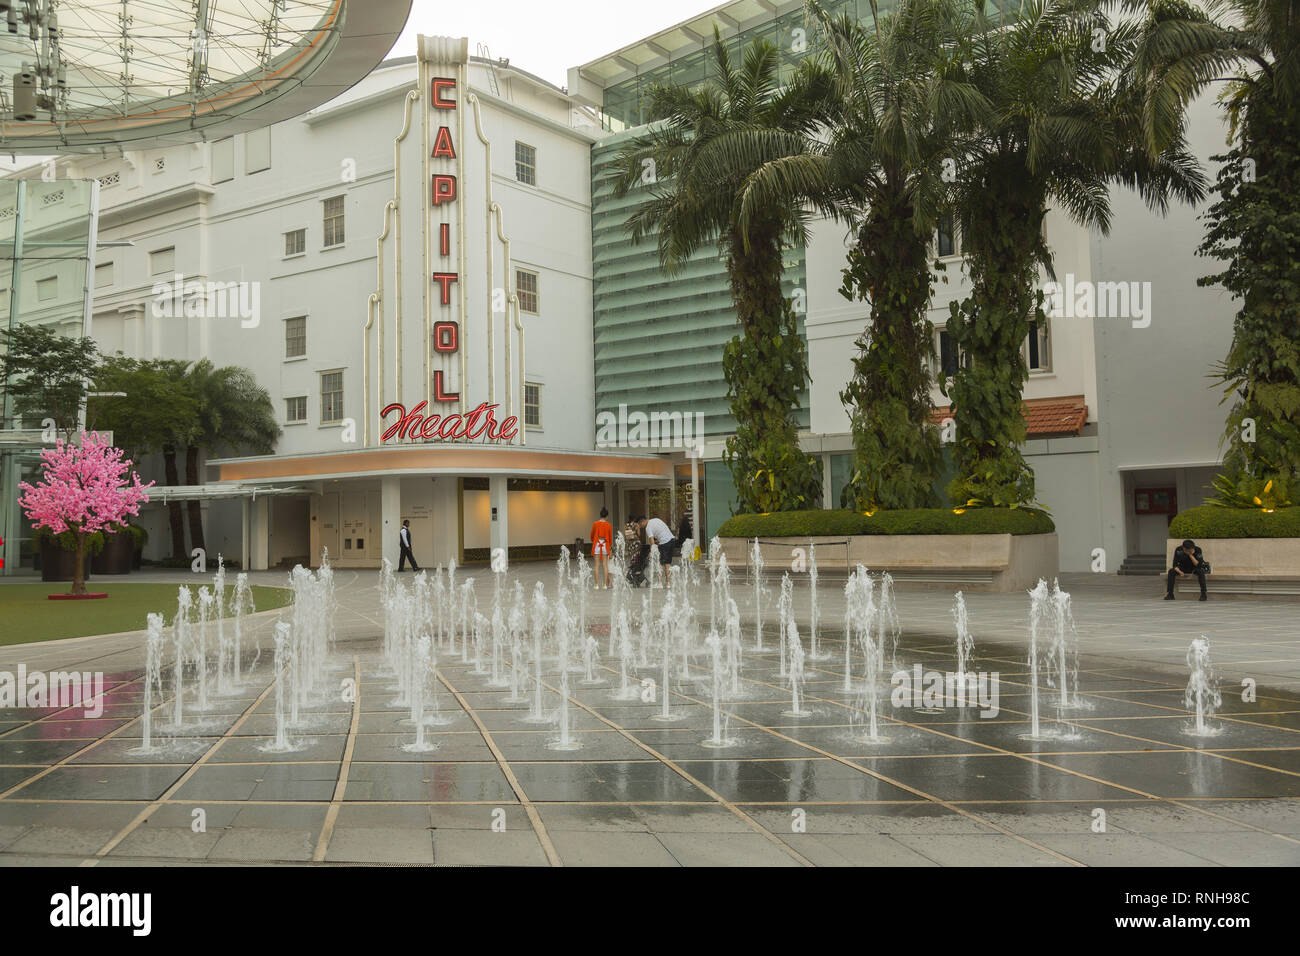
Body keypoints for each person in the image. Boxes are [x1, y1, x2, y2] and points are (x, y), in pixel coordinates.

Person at [639, 513, 677, 583]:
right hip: (672, 540)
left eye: (640, 524)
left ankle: (660, 583)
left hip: (665, 542)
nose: (641, 526)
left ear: (643, 521)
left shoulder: (648, 527)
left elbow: (651, 540)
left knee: (661, 563)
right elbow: (662, 530)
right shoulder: (656, 519)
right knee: (667, 563)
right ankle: (668, 583)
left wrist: (651, 552)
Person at [590, 507, 613, 589]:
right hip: (605, 544)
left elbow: (592, 535)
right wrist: (610, 548)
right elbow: (610, 538)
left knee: (596, 565)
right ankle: (605, 585)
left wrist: (595, 540)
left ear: (600, 515)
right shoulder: (608, 525)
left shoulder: (595, 524)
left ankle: (596, 585)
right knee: (605, 565)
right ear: (607, 516)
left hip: (597, 544)